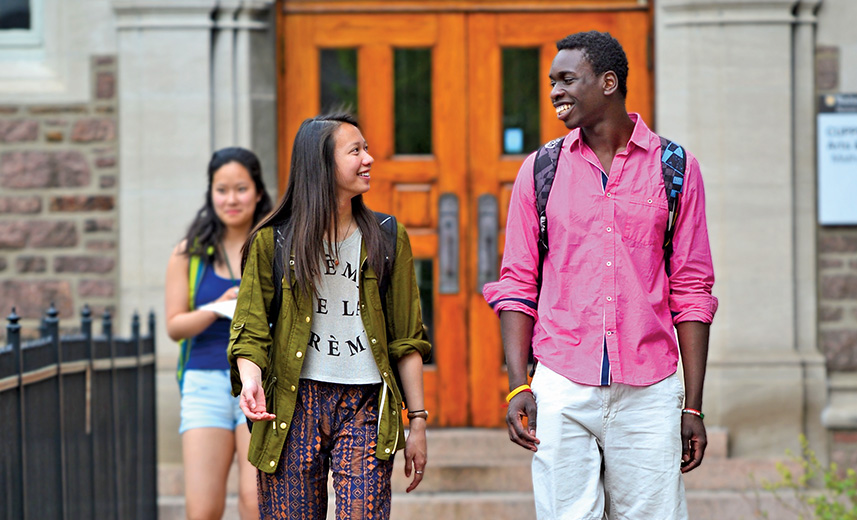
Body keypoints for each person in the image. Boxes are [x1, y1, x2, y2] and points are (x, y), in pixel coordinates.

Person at [483, 31, 718, 519]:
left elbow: (693, 290)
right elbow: (517, 285)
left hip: (650, 390)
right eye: (552, 82)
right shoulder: (540, 170)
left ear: (608, 82)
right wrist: (518, 384)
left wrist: (691, 407)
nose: (554, 92)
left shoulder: (676, 170)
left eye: (567, 79)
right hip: (563, 382)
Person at [227, 112, 432, 519]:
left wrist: (419, 422)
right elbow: (250, 327)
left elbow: (407, 338)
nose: (368, 159)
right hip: (292, 402)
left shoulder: (388, 236)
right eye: (355, 151)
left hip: (365, 402)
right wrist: (251, 380)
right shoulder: (274, 241)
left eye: (366, 148)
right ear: (321, 164)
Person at [165, 147, 274, 519]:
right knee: (203, 510)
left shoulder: (276, 246)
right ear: (210, 194)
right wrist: (217, 306)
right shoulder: (189, 253)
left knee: (254, 501)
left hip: (259, 387)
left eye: (241, 189)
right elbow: (175, 326)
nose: (231, 199)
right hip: (205, 385)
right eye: (221, 190)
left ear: (258, 192)